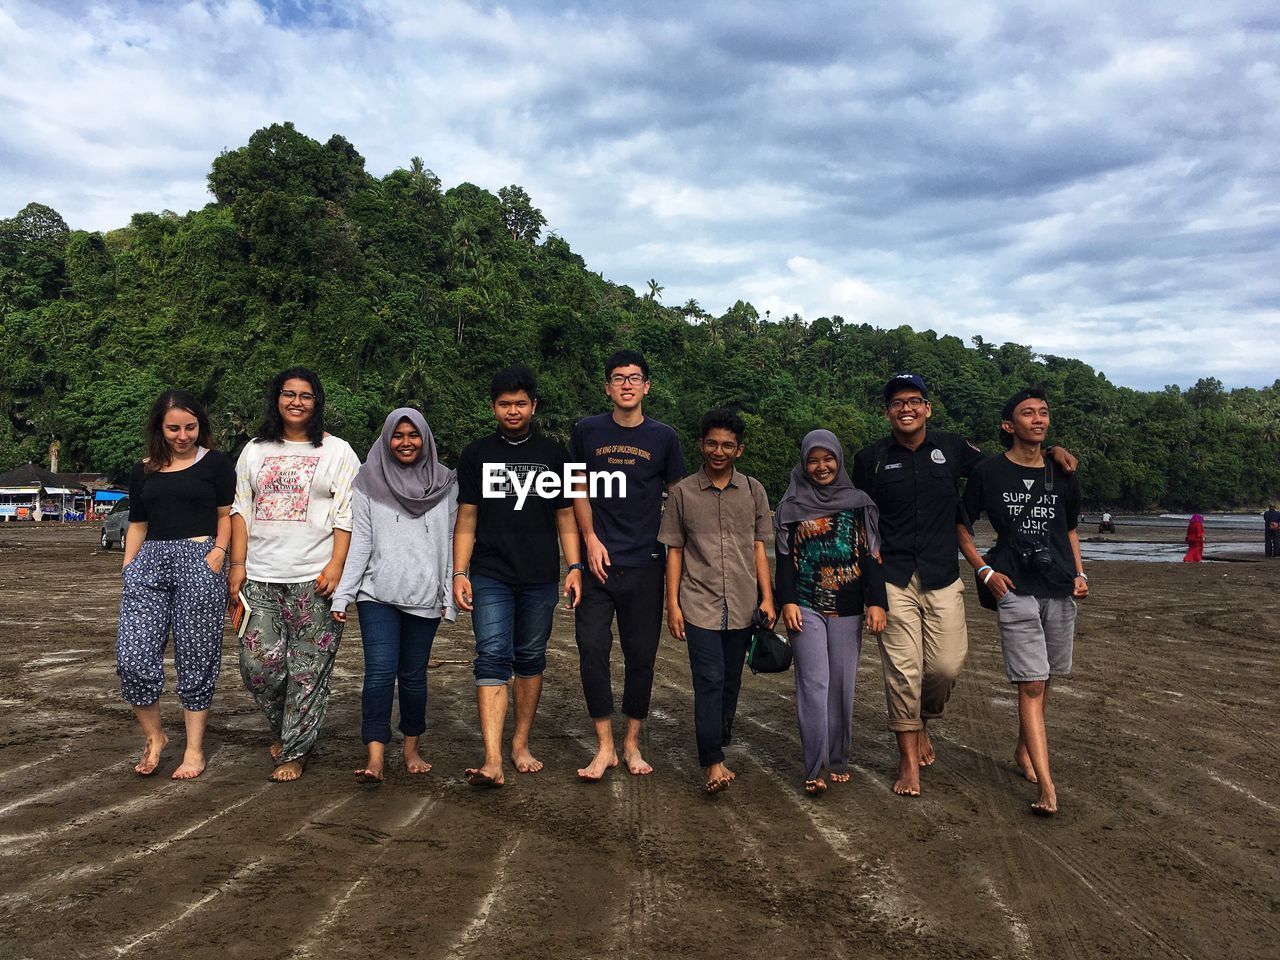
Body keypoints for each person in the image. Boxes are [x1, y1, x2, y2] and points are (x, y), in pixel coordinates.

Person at [852, 372, 1077, 797]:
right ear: (887, 413)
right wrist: (868, 575)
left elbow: (1007, 465)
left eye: (915, 401)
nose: (907, 408)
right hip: (893, 575)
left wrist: (1050, 452)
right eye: (898, 403)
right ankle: (907, 755)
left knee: (945, 667)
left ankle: (921, 720)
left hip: (942, 573)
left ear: (927, 409)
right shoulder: (871, 459)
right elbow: (856, 514)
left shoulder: (953, 449)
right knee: (904, 670)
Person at [453, 365, 584, 788]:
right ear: (493, 407)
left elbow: (566, 516)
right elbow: (467, 516)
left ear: (533, 406)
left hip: (540, 574)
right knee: (491, 655)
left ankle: (520, 744)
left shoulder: (552, 454)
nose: (513, 410)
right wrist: (459, 571)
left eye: (521, 403)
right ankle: (492, 758)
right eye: (505, 404)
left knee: (530, 657)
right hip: (490, 572)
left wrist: (575, 567)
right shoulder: (475, 454)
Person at [958, 388, 1088, 815]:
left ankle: (1022, 751)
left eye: (1044, 413)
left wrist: (1081, 573)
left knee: (1045, 677)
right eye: (1027, 413)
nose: (1038, 419)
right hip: (1014, 587)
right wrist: (984, 570)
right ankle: (1047, 786)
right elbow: (960, 524)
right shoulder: (989, 472)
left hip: (1059, 584)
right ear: (1007, 425)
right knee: (1031, 682)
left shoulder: (1062, 470)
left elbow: (1068, 529)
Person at [228, 367, 361, 782]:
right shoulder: (254, 450)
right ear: (277, 399)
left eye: (306, 395)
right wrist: (237, 565)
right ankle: (290, 728)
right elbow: (241, 508)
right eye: (289, 394)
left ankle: (295, 749)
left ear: (317, 402)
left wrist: (337, 567)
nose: (297, 402)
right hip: (260, 577)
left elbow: (347, 514)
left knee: (308, 669)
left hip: (314, 578)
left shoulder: (338, 451)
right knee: (258, 667)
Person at [570, 349, 685, 780]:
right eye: (618, 378)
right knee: (592, 652)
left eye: (635, 378)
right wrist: (590, 540)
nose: (626, 385)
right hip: (598, 563)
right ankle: (604, 748)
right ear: (607, 387)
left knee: (641, 656)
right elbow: (577, 488)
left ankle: (632, 743)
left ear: (646, 386)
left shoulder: (664, 438)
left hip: (646, 564)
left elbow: (678, 498)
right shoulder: (587, 431)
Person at [332, 408, 457, 784]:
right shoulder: (368, 482)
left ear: (425, 439)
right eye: (398, 436)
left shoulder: (445, 484)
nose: (405, 443)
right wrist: (344, 595)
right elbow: (362, 543)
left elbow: (450, 541)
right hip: (377, 596)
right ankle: (375, 756)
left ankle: (411, 749)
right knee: (379, 675)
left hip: (425, 597)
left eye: (413, 435)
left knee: (414, 677)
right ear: (387, 439)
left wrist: (448, 593)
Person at [115, 390, 234, 779]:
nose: (183, 435)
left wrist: (218, 553)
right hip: (148, 564)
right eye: (173, 428)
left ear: (200, 425)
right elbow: (137, 523)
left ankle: (195, 749)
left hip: (199, 562)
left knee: (196, 657)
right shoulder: (144, 468)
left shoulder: (215, 463)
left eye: (190, 427)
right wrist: (129, 566)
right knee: (132, 658)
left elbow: (227, 514)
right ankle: (155, 737)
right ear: (159, 429)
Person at [659, 409, 775, 794]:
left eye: (727, 445)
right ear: (700, 444)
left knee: (730, 680)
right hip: (698, 604)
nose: (718, 451)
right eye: (712, 443)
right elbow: (674, 550)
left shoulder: (755, 491)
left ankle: (718, 738)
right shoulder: (682, 493)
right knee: (708, 680)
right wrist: (672, 604)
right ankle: (712, 762)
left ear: (740, 449)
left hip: (743, 605)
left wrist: (768, 598)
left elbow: (759, 548)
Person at [775, 430, 887, 795]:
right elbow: (784, 560)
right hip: (805, 605)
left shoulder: (858, 503)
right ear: (804, 463)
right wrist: (786, 600)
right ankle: (814, 767)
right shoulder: (791, 505)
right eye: (813, 460)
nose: (821, 467)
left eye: (828, 459)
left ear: (838, 459)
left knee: (841, 685)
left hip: (849, 607)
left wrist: (877, 601)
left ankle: (838, 758)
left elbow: (870, 558)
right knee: (813, 684)